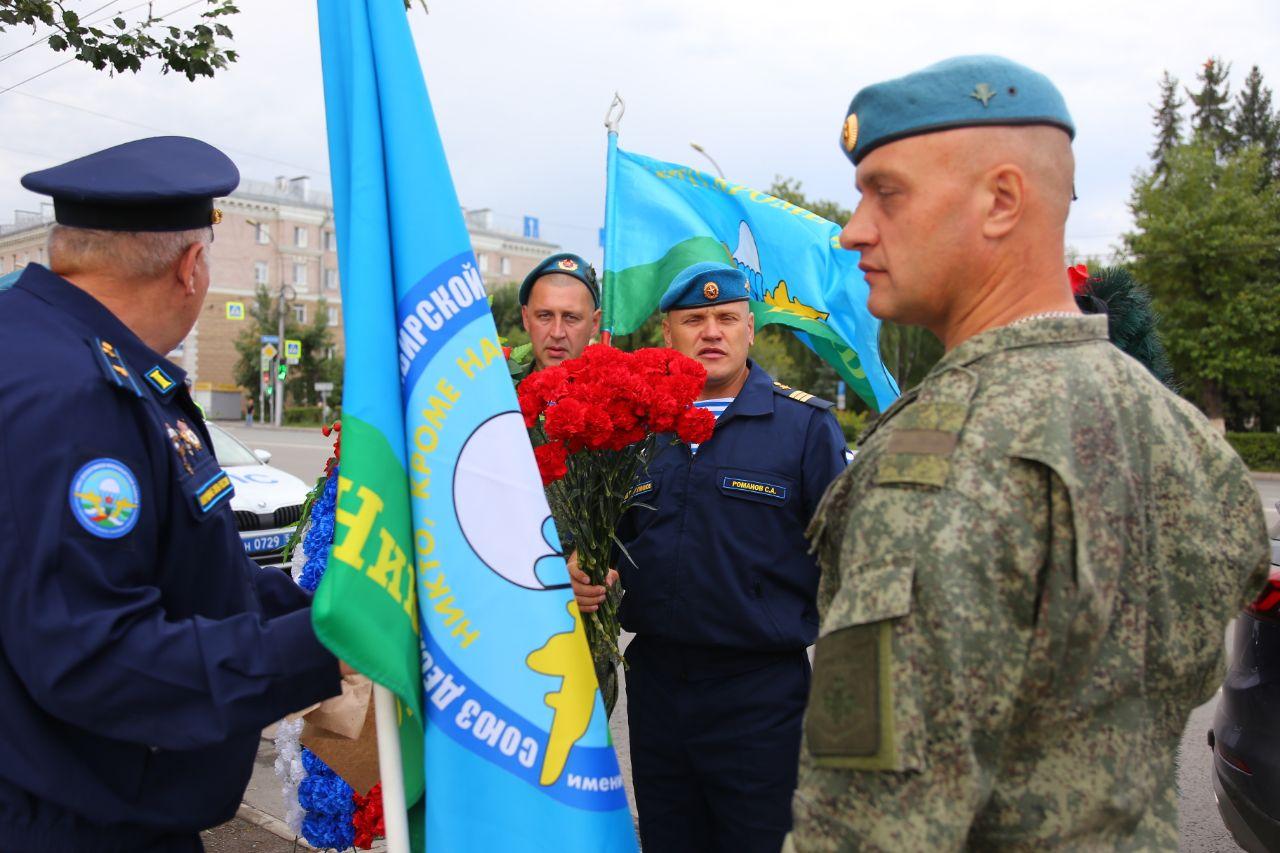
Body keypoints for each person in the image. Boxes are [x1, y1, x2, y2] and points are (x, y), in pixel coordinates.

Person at [788, 56, 1270, 851]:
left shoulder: (944, 458)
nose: (854, 228)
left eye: (887, 190)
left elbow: (869, 825)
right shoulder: (1177, 429)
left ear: (1002, 201)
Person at [0, 137, 343, 852]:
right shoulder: (78, 396)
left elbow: (186, 576)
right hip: (72, 821)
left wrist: (339, 607)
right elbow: (94, 655)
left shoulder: (37, 348)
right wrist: (325, 644)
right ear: (191, 267)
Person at [573, 261, 847, 853]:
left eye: (727, 318)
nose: (712, 331)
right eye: (694, 319)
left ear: (752, 329)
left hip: (761, 695)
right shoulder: (637, 429)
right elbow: (608, 537)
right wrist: (585, 569)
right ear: (668, 334)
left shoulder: (803, 428)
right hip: (660, 687)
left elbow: (847, 567)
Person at [514, 251, 601, 377]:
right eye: (545, 316)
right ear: (526, 318)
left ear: (594, 324)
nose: (557, 333)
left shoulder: (618, 395)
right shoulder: (499, 390)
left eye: (571, 317)